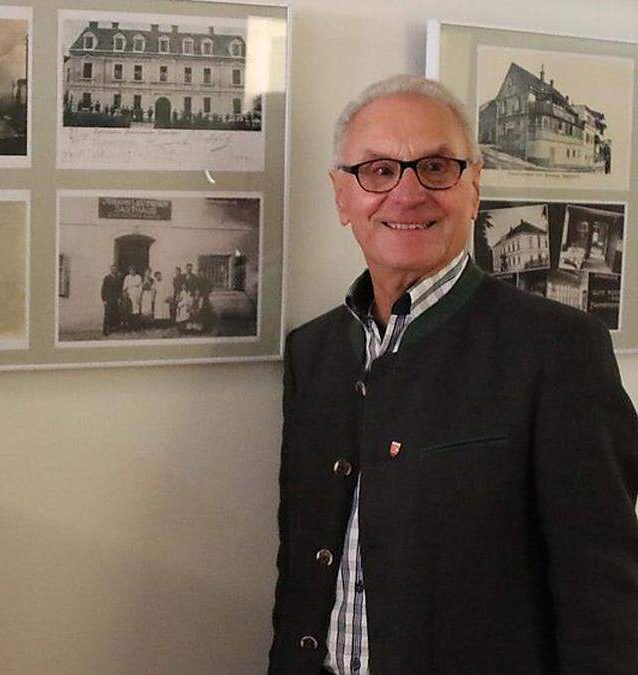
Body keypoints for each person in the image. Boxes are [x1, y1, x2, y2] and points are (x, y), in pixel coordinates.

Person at [269, 74, 638, 675]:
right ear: (342, 197)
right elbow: (303, 569)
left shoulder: (558, 350)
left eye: (436, 167)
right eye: (379, 171)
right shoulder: (314, 352)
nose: (407, 194)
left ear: (474, 187)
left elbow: (606, 599)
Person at [99, 264, 123, 335]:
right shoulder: (107, 278)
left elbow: (119, 290)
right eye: (113, 269)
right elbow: (103, 289)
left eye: (115, 269)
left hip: (115, 299)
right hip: (108, 299)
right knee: (107, 315)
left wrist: (119, 298)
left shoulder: (118, 279)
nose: (114, 270)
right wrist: (104, 300)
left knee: (114, 314)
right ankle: (106, 330)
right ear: (111, 270)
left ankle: (113, 329)